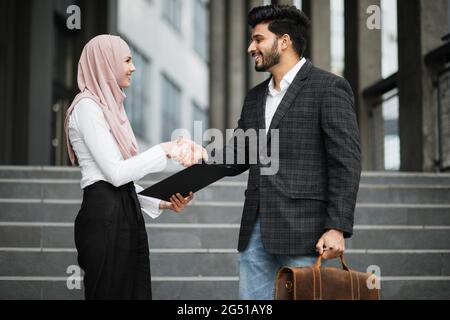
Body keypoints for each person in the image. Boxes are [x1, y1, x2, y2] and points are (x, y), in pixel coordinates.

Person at [221, 5, 362, 300]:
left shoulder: (329, 88)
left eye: (258, 39)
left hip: (306, 233)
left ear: (284, 41)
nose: (251, 48)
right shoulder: (255, 97)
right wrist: (197, 157)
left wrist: (336, 227)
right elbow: (239, 153)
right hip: (255, 232)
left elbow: (345, 161)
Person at [64, 34, 206, 300]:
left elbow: (122, 182)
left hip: (125, 212)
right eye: (127, 60)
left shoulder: (111, 110)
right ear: (107, 62)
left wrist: (163, 202)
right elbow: (115, 175)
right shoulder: (87, 107)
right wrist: (165, 149)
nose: (133, 67)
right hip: (104, 216)